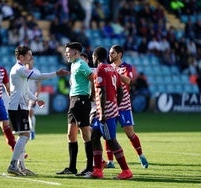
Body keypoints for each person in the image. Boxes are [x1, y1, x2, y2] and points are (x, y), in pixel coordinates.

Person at [7, 45, 70, 176]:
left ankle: (21, 166)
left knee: (23, 136)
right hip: (17, 106)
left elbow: (25, 89)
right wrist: (56, 73)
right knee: (25, 135)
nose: (31, 57)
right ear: (21, 57)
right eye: (29, 55)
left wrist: (35, 99)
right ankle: (13, 164)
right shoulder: (19, 69)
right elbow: (39, 77)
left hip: (20, 106)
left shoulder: (21, 69)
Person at [89, 46, 133, 179]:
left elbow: (101, 92)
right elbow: (120, 90)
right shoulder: (112, 69)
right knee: (95, 136)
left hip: (105, 111)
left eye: (92, 57)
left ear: (95, 57)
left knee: (111, 140)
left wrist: (102, 113)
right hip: (108, 108)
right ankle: (97, 170)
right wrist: (116, 104)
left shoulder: (101, 69)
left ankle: (126, 171)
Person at [107, 45, 149, 169]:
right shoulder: (108, 68)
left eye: (113, 53)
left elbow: (128, 81)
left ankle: (141, 156)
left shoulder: (126, 67)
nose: (110, 55)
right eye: (109, 53)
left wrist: (115, 73)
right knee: (108, 133)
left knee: (130, 133)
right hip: (111, 105)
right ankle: (110, 161)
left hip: (124, 105)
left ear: (120, 54)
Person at [56, 42, 94, 176]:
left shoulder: (82, 64)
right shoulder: (73, 65)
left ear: (75, 52)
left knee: (85, 134)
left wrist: (92, 96)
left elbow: (93, 79)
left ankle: (90, 168)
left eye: (68, 52)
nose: (66, 54)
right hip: (73, 101)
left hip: (81, 100)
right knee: (71, 135)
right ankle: (72, 168)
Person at [25, 59, 42, 140]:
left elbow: (38, 86)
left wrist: (35, 97)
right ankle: (27, 130)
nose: (29, 61)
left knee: (30, 112)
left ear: (33, 61)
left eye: (30, 60)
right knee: (25, 115)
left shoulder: (36, 72)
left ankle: (31, 130)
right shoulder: (22, 71)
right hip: (24, 96)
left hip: (32, 96)